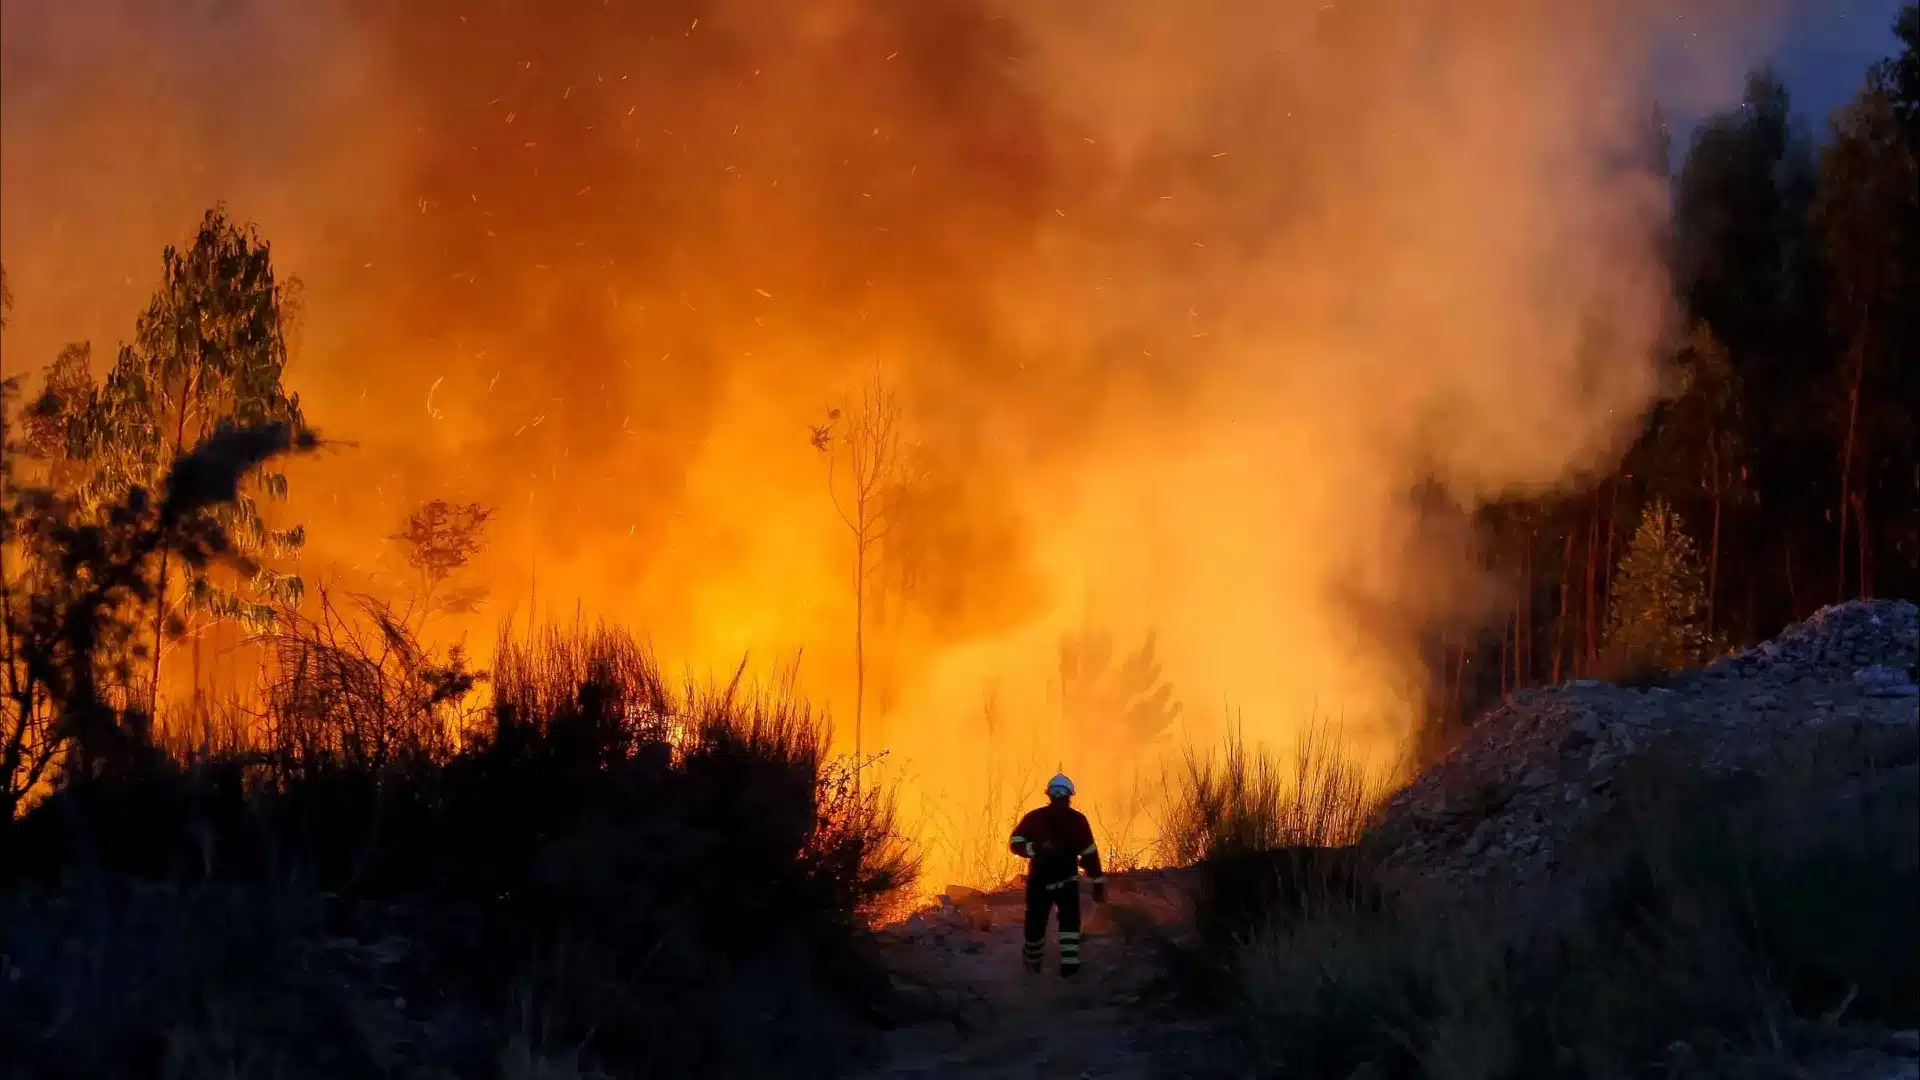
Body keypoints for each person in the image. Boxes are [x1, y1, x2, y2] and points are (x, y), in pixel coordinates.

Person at [1008, 773, 1107, 976]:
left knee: (1067, 927)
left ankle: (1067, 970)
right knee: (1036, 928)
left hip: (1061, 882)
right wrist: (1035, 848)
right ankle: (1034, 970)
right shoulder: (1037, 818)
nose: (1060, 797)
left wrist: (1097, 882)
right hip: (1042, 883)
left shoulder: (1075, 821)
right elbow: (1015, 842)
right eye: (1057, 793)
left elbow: (1089, 853)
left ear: (1067, 796)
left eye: (1062, 793)